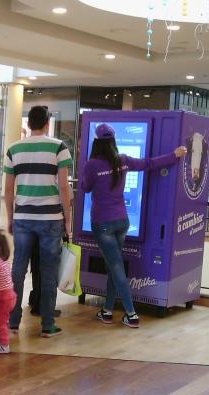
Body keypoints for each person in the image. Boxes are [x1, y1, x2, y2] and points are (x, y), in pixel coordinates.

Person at [81, 123, 186, 328]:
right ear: (113, 141)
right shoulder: (123, 160)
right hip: (122, 221)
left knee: (116, 266)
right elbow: (149, 164)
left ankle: (131, 314)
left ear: (96, 142)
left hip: (102, 223)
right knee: (113, 266)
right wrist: (174, 155)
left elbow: (85, 188)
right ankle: (107, 311)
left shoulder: (91, 165)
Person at [4, 106, 72, 338]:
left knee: (18, 270)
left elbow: (8, 189)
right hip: (51, 219)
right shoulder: (59, 148)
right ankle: (47, 324)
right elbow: (64, 187)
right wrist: (68, 220)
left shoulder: (13, 149)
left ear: (29, 123)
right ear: (47, 123)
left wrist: (10, 218)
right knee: (48, 270)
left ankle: (12, 323)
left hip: (23, 217)